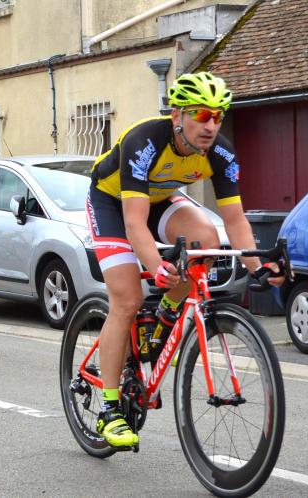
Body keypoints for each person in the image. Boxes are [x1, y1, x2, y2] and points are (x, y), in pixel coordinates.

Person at [87, 72, 285, 448]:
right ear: (177, 115)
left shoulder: (220, 153)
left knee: (206, 241)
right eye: (201, 114)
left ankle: (165, 314)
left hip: (160, 200)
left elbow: (234, 220)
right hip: (112, 202)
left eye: (218, 116)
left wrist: (258, 268)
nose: (210, 125)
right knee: (127, 299)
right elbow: (134, 222)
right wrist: (157, 267)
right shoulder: (145, 141)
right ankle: (109, 410)